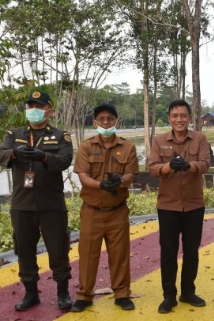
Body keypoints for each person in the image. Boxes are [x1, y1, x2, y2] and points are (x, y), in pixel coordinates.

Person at [0, 91, 73, 311]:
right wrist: (14, 154)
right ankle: (31, 293)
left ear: (49, 110)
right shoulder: (14, 134)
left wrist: (44, 156)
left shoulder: (60, 135)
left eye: (38, 106)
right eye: (30, 106)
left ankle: (63, 292)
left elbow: (66, 160)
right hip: (22, 204)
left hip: (52, 204)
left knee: (58, 249)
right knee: (25, 250)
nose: (33, 110)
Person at [70, 104, 140, 312]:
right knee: (88, 254)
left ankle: (122, 293)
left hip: (117, 210)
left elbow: (131, 175)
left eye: (110, 118)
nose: (106, 122)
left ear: (116, 121)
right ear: (95, 123)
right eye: (101, 119)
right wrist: (101, 185)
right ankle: (84, 295)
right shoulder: (85, 146)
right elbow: (83, 176)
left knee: (119, 254)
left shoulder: (128, 147)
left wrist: (120, 182)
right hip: (92, 210)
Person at [147, 100, 212, 314]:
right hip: (168, 206)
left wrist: (189, 166)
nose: (179, 119)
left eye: (183, 115)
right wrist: (168, 166)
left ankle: (188, 292)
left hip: (194, 205)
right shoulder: (159, 140)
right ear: (169, 118)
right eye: (175, 116)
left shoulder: (200, 138)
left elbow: (205, 163)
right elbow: (153, 168)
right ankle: (169, 296)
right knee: (168, 252)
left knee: (191, 251)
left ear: (189, 117)